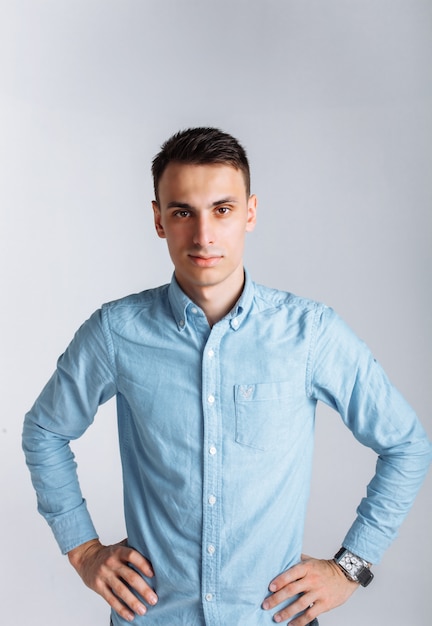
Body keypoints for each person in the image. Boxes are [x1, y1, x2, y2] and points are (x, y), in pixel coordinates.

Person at [23, 127, 431, 626]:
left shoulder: (311, 334)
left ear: (250, 213)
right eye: (182, 212)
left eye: (222, 209)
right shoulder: (116, 332)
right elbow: (44, 431)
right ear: (158, 219)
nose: (203, 235)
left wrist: (351, 568)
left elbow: (406, 444)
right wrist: (83, 550)